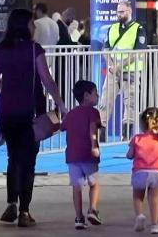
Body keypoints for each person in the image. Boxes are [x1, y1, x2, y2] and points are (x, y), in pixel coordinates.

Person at [0, 8, 68, 228]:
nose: (34, 27)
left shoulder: (1, 50)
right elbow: (47, 80)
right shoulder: (34, 50)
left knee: (13, 157)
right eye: (32, 23)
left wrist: (5, 82)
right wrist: (61, 104)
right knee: (29, 161)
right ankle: (24, 211)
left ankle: (11, 203)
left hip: (7, 112)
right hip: (31, 112)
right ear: (25, 26)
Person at [99, 0, 147, 140]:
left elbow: (138, 52)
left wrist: (119, 66)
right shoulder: (112, 28)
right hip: (113, 71)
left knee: (130, 102)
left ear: (129, 11)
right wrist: (111, 66)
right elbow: (106, 49)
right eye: (118, 12)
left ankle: (126, 135)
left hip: (131, 71)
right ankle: (101, 133)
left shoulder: (139, 29)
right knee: (105, 101)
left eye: (122, 11)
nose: (119, 14)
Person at [64, 80, 104, 230]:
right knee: (94, 184)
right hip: (88, 154)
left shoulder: (71, 114)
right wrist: (94, 146)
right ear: (86, 95)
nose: (98, 96)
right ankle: (92, 210)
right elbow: (93, 128)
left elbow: (61, 127)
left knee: (77, 186)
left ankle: (79, 217)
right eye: (95, 93)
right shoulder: (93, 112)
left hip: (72, 156)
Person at [127, 108, 158, 235]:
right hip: (156, 173)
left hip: (140, 172)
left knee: (138, 197)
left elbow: (129, 155)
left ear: (142, 124)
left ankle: (140, 215)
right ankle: (155, 225)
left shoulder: (136, 138)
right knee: (154, 199)